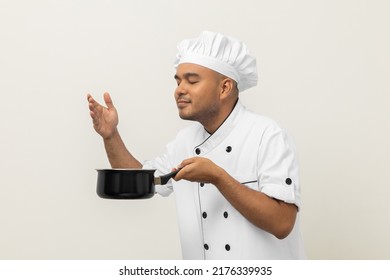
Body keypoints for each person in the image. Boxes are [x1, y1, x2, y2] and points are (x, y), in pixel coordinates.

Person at [87, 31, 306, 259]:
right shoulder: (185, 141)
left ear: (224, 88)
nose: (180, 89)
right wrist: (110, 135)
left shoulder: (268, 136)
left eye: (192, 81)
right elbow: (139, 181)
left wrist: (218, 177)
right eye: (178, 80)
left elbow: (282, 223)